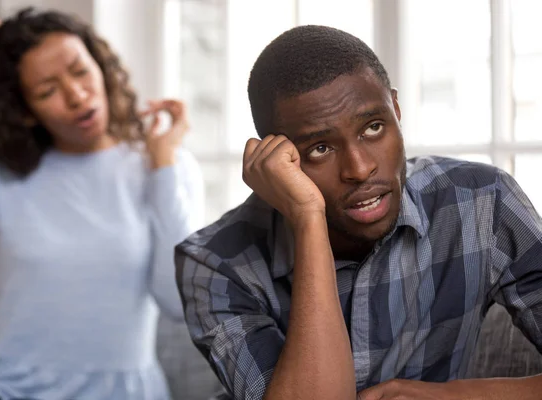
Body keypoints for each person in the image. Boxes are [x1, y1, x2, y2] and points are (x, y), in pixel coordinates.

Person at [175, 24, 542, 400]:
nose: (359, 168)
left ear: (397, 111)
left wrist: (452, 397)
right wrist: (307, 216)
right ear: (279, 161)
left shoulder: (481, 201)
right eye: (319, 148)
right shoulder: (214, 262)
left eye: (374, 127)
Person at [0, 1, 204, 399]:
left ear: (101, 65)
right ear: (26, 112)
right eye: (48, 90)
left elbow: (178, 301)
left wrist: (163, 167)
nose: (78, 95)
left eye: (81, 71)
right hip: (2, 390)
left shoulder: (165, 165)